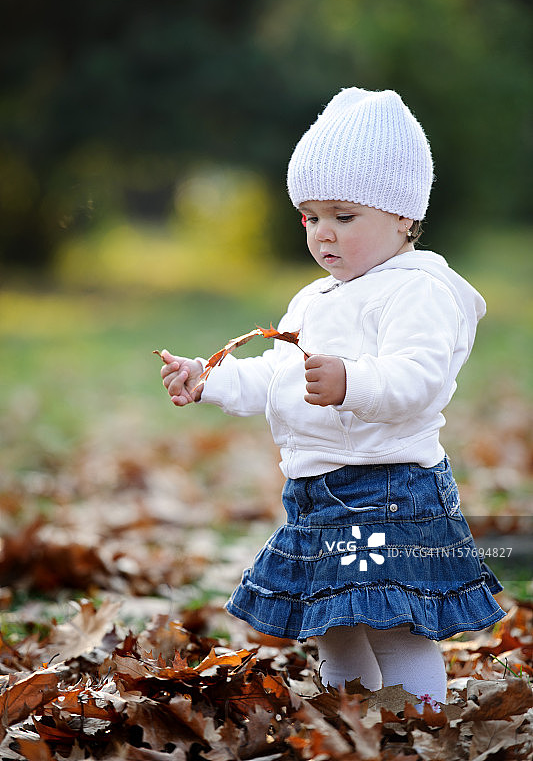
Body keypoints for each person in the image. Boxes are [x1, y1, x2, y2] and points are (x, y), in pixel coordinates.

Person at [159, 87, 506, 709]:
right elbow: (279, 374)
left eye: (344, 217)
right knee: (335, 621)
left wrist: (353, 381)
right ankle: (351, 722)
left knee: (391, 620)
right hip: (317, 490)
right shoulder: (315, 299)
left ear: (402, 216)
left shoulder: (418, 289)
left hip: (390, 487)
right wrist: (209, 379)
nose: (325, 234)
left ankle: (419, 724)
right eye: (311, 217)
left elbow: (420, 376)